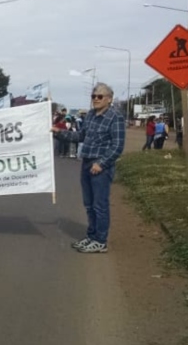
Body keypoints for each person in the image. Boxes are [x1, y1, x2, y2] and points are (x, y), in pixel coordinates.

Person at [53, 83, 125, 254]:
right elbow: (80, 136)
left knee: (100, 204)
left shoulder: (115, 117)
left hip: (100, 165)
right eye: (94, 96)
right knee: (89, 204)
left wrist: (101, 163)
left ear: (109, 99)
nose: (96, 99)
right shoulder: (91, 115)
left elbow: (118, 145)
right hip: (86, 162)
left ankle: (100, 241)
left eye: (100, 96)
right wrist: (58, 132)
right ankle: (92, 236)